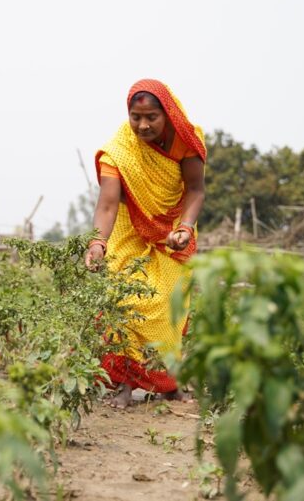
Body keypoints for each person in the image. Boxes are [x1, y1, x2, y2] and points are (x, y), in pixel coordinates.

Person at [85, 79, 206, 409]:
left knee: (168, 305)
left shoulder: (185, 141)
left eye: (151, 116)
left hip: (172, 232)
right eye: (135, 116)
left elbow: (195, 190)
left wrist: (185, 227)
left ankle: (168, 384)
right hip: (127, 231)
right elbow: (108, 204)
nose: (143, 125)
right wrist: (97, 243)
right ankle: (122, 384)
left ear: (167, 114)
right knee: (126, 300)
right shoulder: (118, 152)